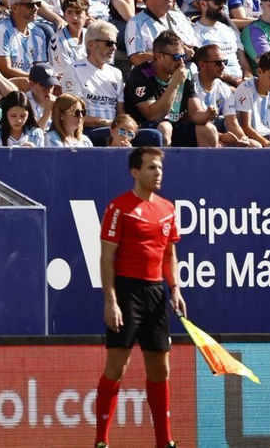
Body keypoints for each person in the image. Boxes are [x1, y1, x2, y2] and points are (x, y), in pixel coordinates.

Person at [94, 146, 184, 448]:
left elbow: (169, 254)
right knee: (117, 367)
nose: (158, 173)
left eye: (159, 167)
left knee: (160, 369)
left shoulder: (168, 208)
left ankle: (164, 442)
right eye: (151, 167)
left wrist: (175, 288)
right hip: (126, 292)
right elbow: (106, 258)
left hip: (156, 293)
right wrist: (111, 301)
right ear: (135, 172)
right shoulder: (119, 207)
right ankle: (101, 441)